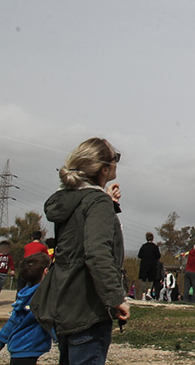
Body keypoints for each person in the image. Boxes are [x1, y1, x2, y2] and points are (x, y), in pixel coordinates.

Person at [31, 137, 129, 365]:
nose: (117, 163)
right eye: (116, 159)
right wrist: (116, 298)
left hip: (66, 301)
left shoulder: (71, 199)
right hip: (88, 309)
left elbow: (76, 238)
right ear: (104, 169)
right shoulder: (96, 202)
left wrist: (107, 203)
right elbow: (97, 252)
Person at [0, 253, 54, 365]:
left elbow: (13, 320)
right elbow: (50, 319)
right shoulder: (41, 296)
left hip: (20, 345)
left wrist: (0, 342)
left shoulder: (26, 293)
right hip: (28, 345)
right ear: (46, 271)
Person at [136, 232, 161, 301]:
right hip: (152, 265)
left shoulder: (144, 246)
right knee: (151, 280)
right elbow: (158, 256)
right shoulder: (155, 247)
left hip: (144, 265)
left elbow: (139, 255)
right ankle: (149, 292)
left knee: (143, 280)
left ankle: (143, 295)